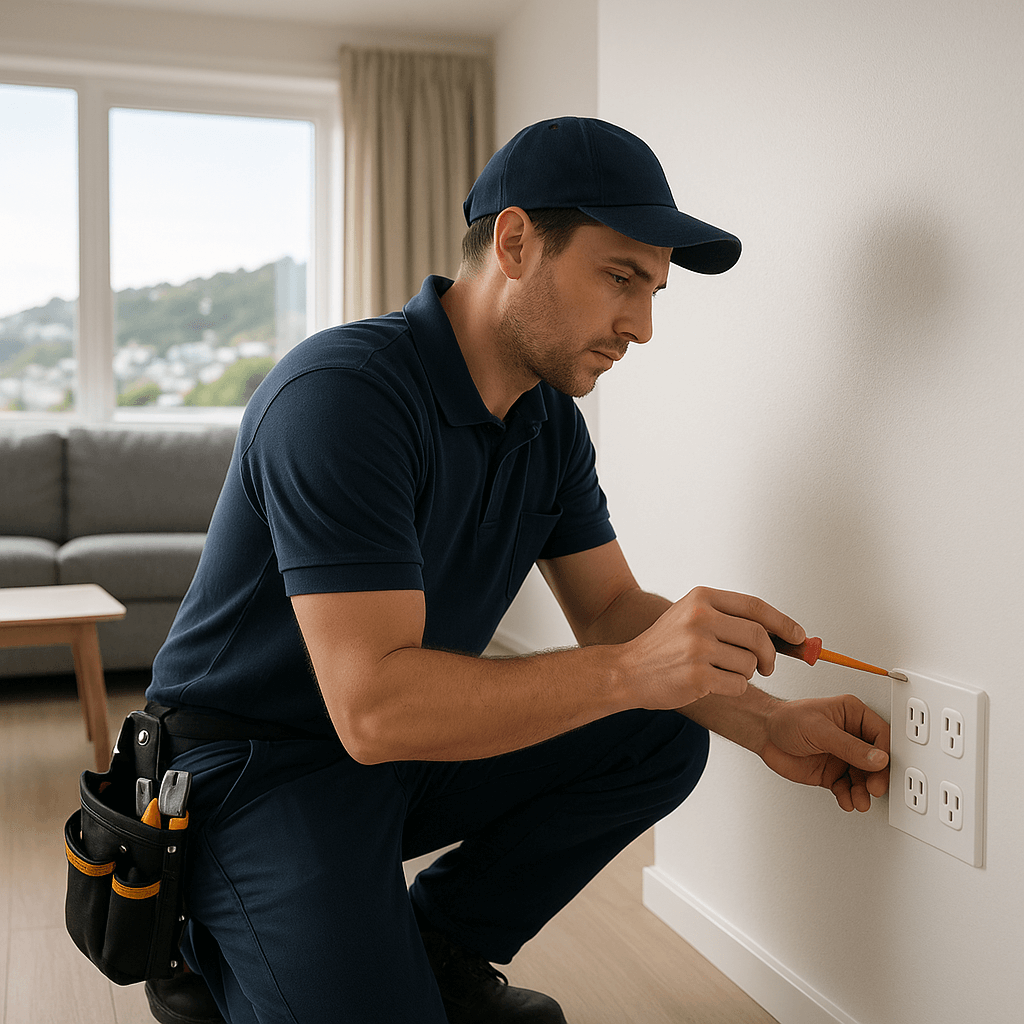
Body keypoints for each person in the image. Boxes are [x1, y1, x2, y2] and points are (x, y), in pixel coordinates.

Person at [143, 117, 891, 1024]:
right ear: (516, 241)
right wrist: (634, 670)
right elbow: (373, 707)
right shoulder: (342, 396)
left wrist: (768, 724)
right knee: (635, 689)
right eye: (621, 279)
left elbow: (612, 610)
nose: (642, 328)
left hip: (390, 754)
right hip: (250, 768)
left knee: (660, 729)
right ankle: (209, 941)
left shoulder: (547, 424)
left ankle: (437, 944)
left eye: (654, 292)